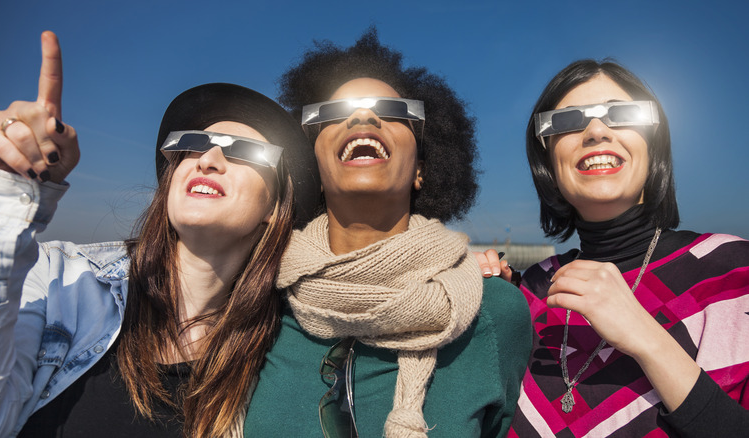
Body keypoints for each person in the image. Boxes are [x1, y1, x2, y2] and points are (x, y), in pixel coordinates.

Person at [0, 31, 320, 437]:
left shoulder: (284, 351)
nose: (208, 159)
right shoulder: (60, 283)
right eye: (195, 143)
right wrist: (7, 196)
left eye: (244, 151)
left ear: (275, 208)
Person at [243, 29, 531, 437]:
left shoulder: (496, 313)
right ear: (315, 172)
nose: (363, 117)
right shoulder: (257, 299)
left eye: (393, 110)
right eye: (336, 112)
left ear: (421, 171)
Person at [475, 59, 749, 436]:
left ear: (653, 145)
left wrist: (646, 336)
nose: (597, 131)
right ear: (548, 161)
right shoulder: (532, 289)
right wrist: (490, 310)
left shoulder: (731, 270)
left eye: (622, 114)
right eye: (568, 120)